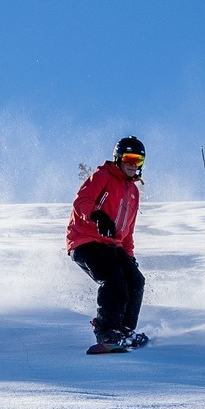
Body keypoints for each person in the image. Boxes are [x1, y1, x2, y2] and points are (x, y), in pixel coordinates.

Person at [67, 136, 148, 353]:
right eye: (129, 159)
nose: (132, 164)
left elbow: (128, 230)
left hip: (112, 245)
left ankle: (124, 330)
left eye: (138, 161)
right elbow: (81, 201)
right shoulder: (103, 175)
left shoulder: (133, 191)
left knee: (136, 280)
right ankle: (107, 331)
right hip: (85, 240)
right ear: (119, 158)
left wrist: (129, 255)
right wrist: (98, 216)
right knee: (114, 278)